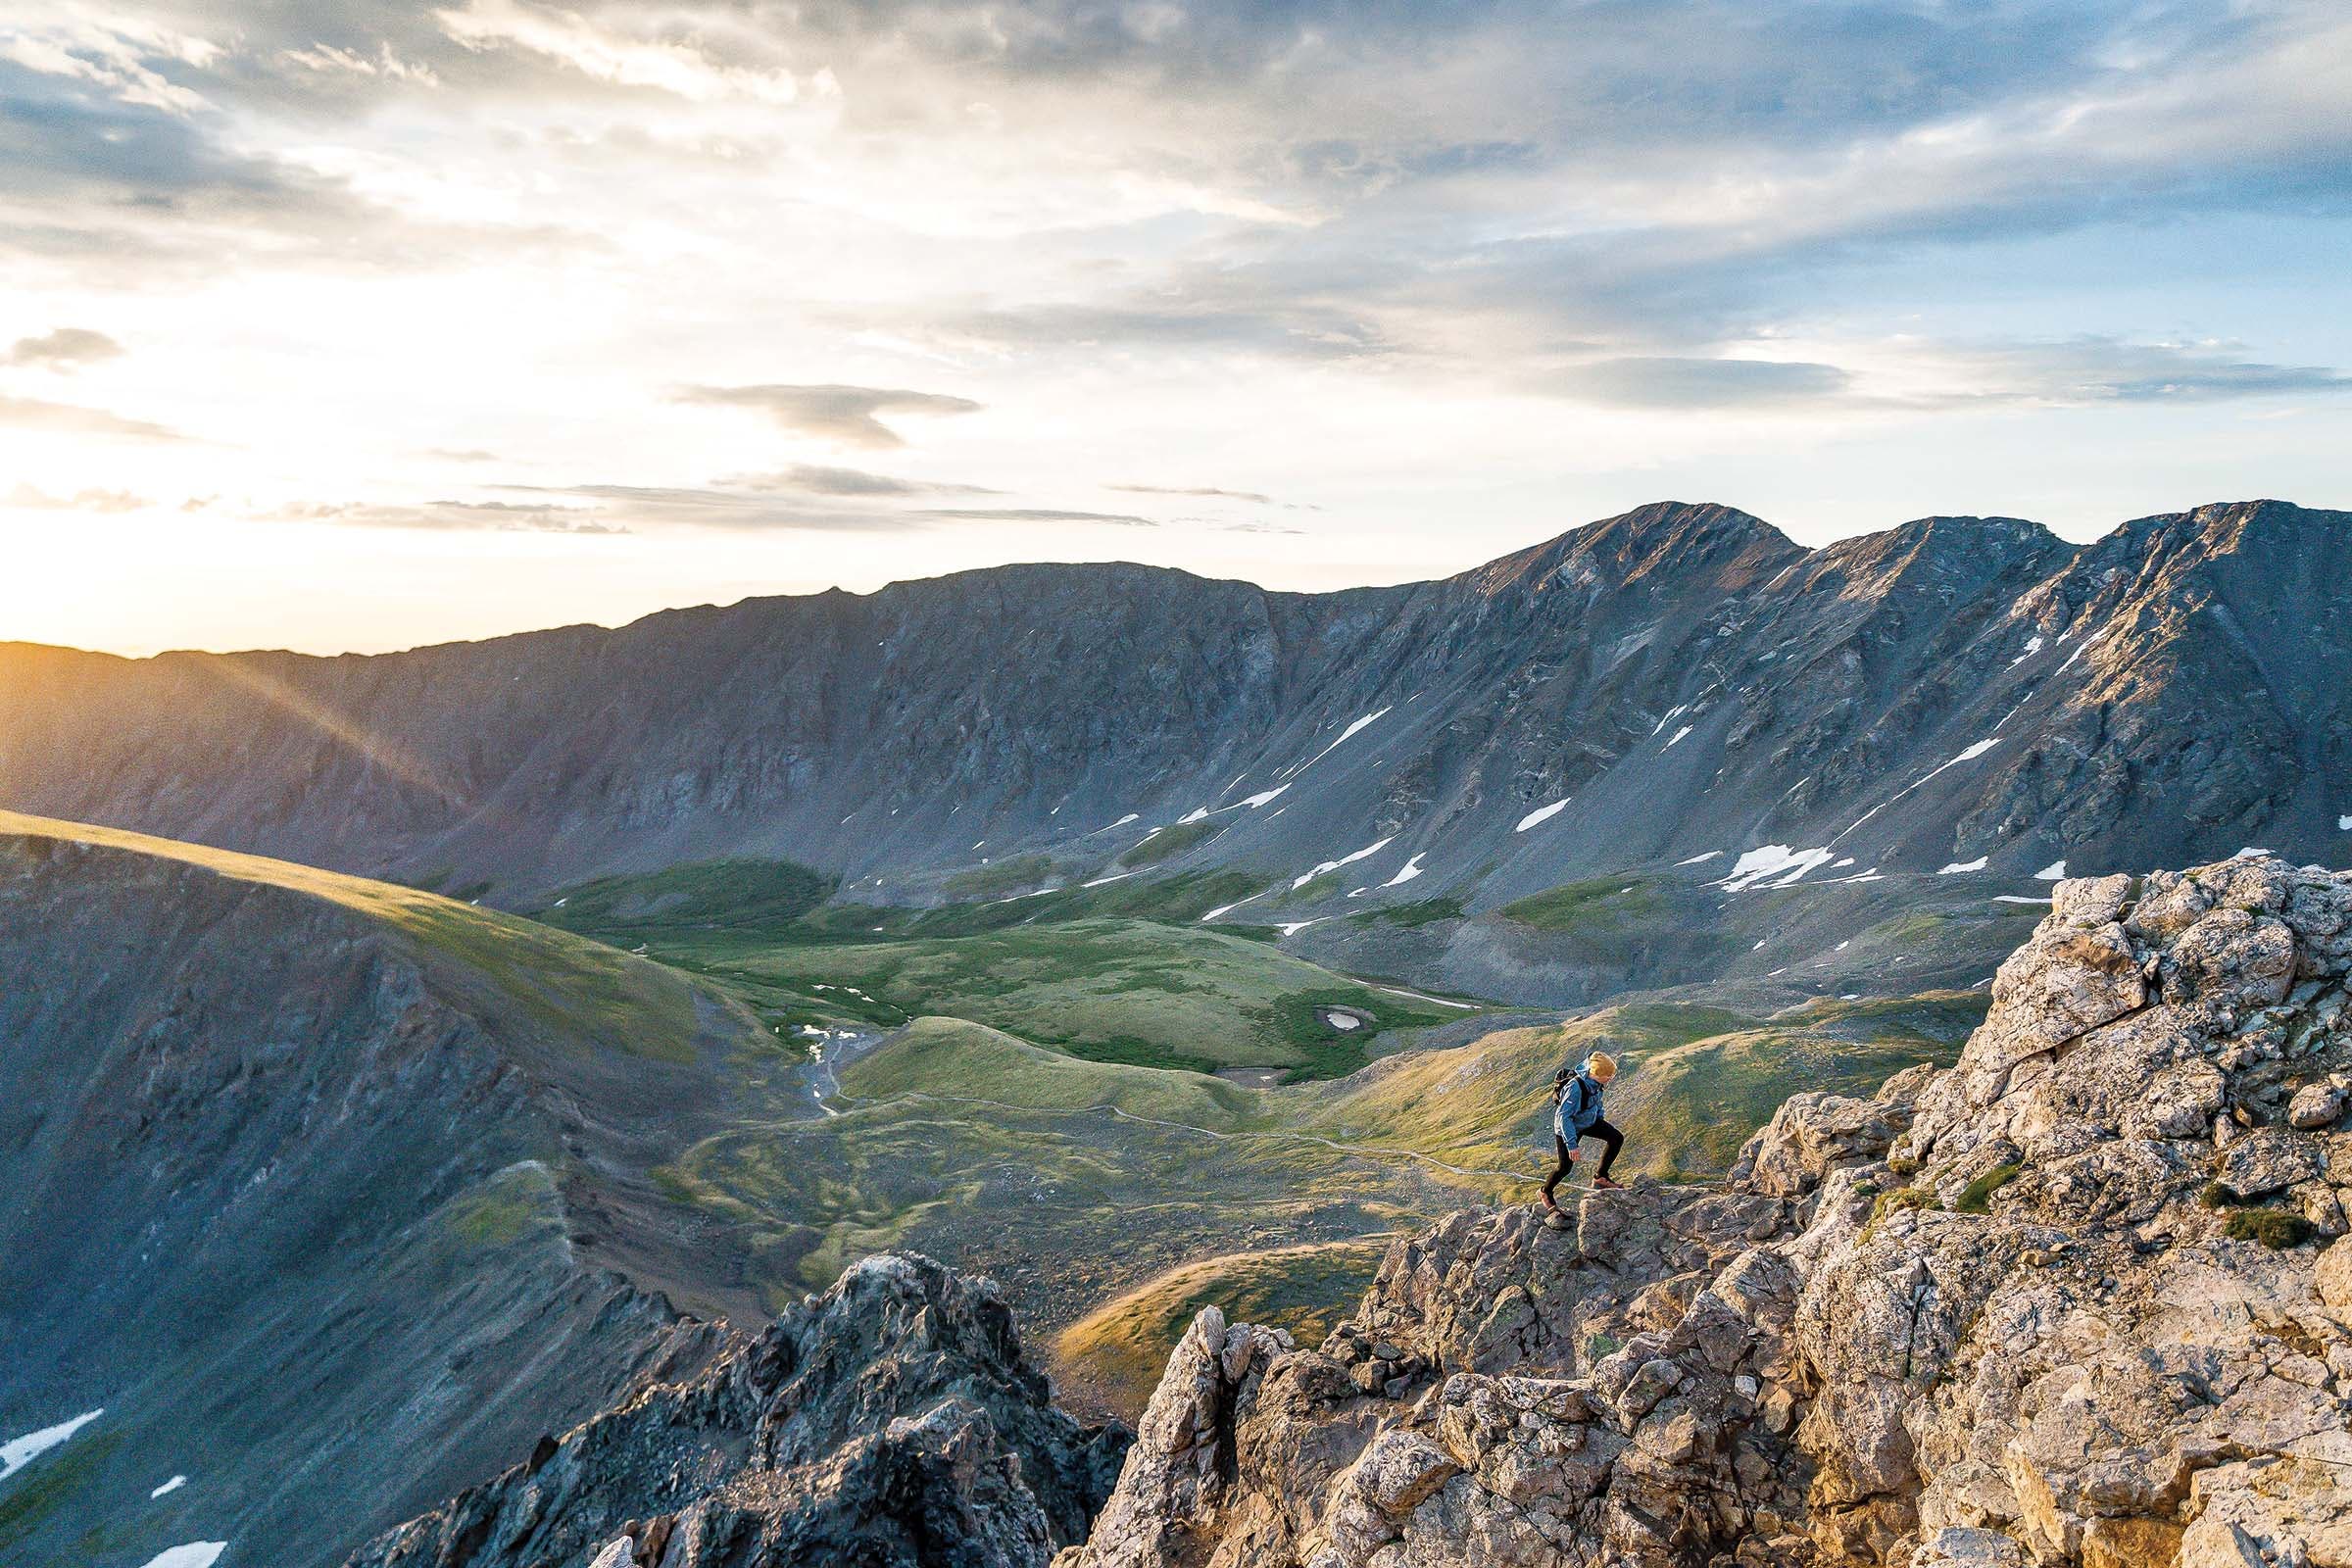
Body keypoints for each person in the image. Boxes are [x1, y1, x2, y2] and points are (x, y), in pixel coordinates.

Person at [1543, 1050, 1624, 1212]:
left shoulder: (1597, 1083)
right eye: (1608, 1076)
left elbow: (1597, 1102)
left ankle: (1600, 1177)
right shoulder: (1575, 1087)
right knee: (1565, 1167)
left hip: (1588, 1121)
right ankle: (1545, 1191)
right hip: (1568, 1127)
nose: (1610, 1078)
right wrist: (1571, 1145)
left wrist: (1599, 1118)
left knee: (1616, 1138)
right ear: (1596, 1074)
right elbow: (1564, 1117)